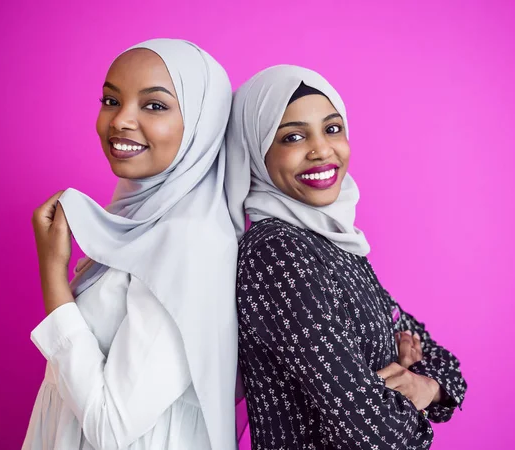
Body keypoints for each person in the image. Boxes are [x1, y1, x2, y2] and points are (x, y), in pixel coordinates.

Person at [226, 65, 467, 449]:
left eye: (332, 128)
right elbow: (376, 434)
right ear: (256, 151)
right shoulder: (277, 253)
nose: (322, 149)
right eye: (293, 136)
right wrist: (414, 402)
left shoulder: (336, 241)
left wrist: (427, 384)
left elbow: (443, 360)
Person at [24, 39, 238, 450]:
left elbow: (110, 426)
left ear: (201, 122)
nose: (120, 120)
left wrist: (52, 272)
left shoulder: (190, 242)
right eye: (110, 99)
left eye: (154, 105)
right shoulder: (138, 219)